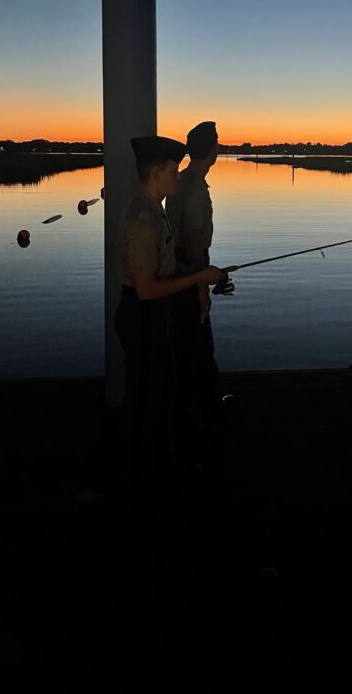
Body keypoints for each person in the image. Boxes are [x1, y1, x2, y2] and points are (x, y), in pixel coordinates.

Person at [113, 135, 225, 502]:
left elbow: (162, 271)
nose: (178, 178)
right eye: (173, 171)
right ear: (157, 172)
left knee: (157, 391)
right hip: (143, 315)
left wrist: (199, 277)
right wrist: (197, 278)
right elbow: (145, 289)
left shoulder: (153, 208)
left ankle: (154, 467)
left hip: (151, 313)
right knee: (147, 396)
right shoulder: (143, 221)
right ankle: (145, 480)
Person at [166, 121, 225, 456]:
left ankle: (194, 410)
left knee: (187, 346)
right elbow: (191, 241)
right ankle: (204, 416)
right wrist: (202, 285)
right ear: (212, 150)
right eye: (217, 144)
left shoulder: (181, 181)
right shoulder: (194, 190)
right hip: (191, 268)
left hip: (178, 268)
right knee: (199, 346)